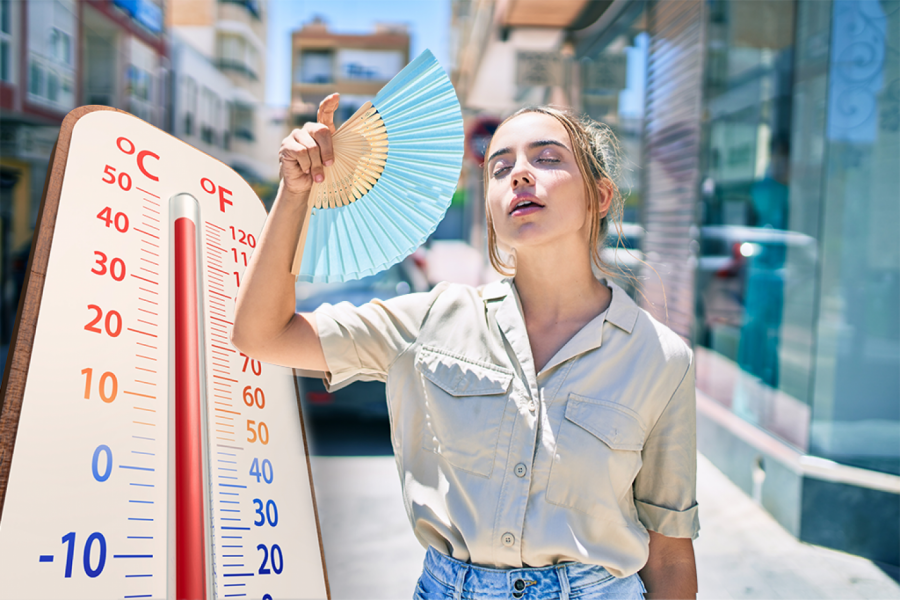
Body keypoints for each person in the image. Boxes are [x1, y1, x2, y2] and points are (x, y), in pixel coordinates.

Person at [232, 94, 699, 600]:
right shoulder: (430, 320)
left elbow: (670, 556)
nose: (519, 175)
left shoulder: (661, 358)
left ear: (600, 196)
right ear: (492, 209)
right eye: (500, 168)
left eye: (547, 158)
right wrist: (295, 193)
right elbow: (262, 334)